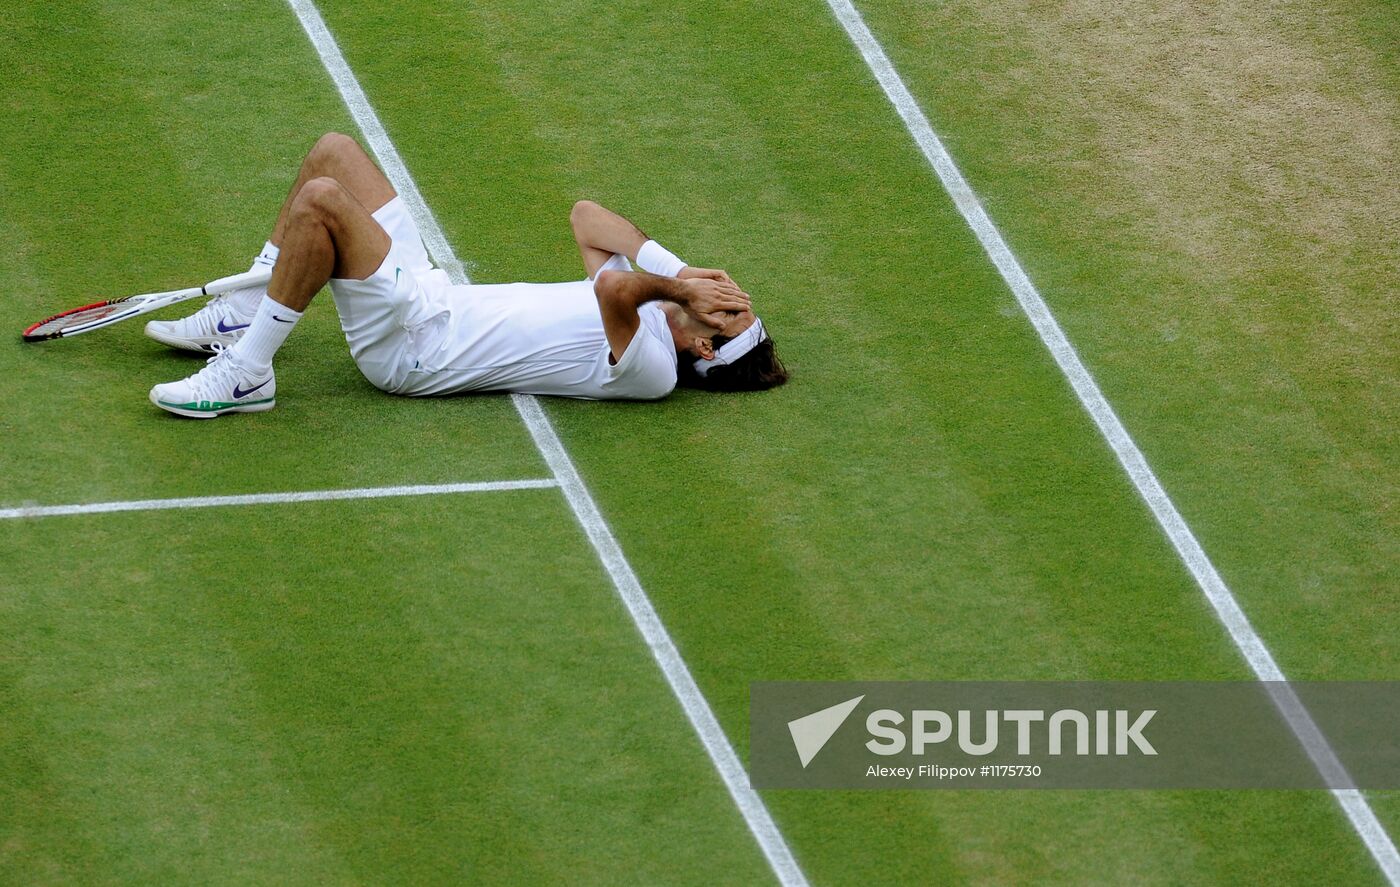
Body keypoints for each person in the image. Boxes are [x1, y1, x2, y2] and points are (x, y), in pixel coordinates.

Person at [146, 133, 788, 418]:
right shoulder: (656, 305)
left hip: (411, 351)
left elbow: (617, 288)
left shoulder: (649, 371)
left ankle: (248, 373)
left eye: (732, 312)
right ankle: (242, 316)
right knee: (334, 152)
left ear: (704, 347)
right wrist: (678, 268)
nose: (729, 296)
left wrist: (677, 288)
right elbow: (587, 218)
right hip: (430, 298)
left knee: (322, 199)